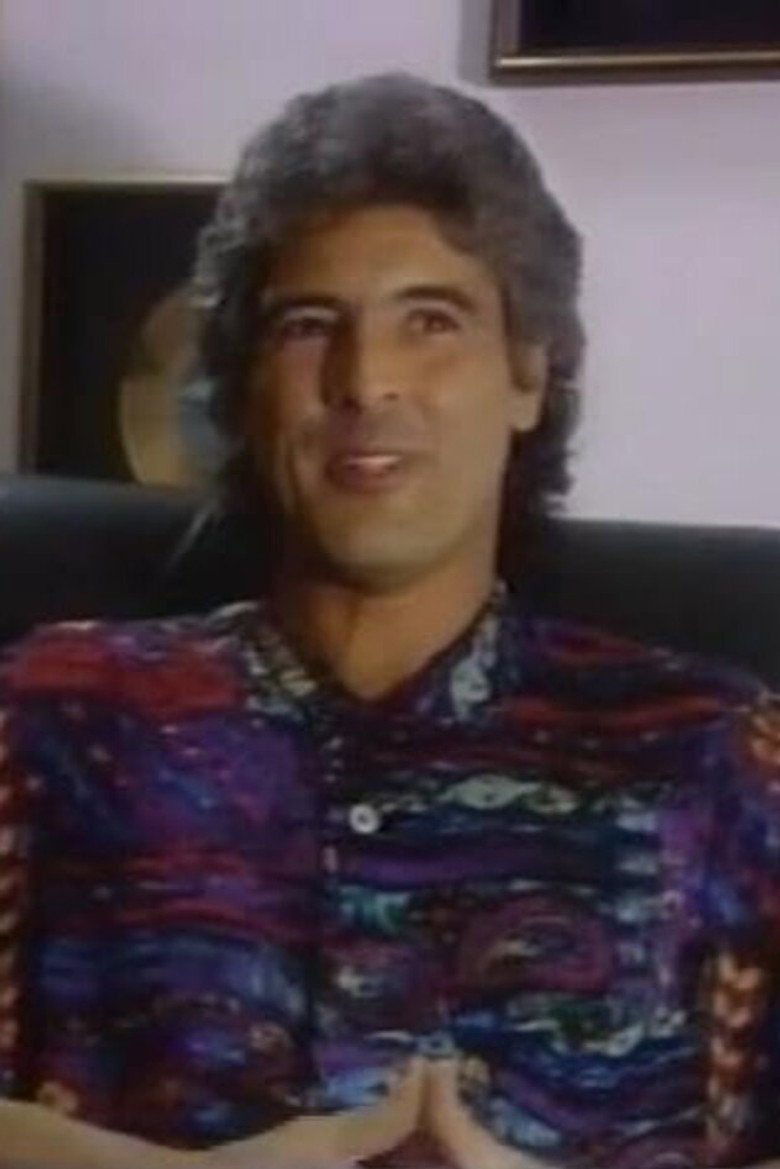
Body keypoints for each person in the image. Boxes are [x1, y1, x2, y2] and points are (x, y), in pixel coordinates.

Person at [1, 73, 779, 1169]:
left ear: (528, 376)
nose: (368, 381)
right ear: (244, 387)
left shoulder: (711, 753)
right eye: (309, 326)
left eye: (432, 321)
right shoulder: (56, 717)